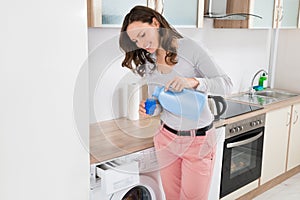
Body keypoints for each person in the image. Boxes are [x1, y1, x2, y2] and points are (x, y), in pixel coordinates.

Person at [119, 6, 232, 200]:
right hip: (165, 138)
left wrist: (194, 82)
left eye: (142, 34)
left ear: (155, 23)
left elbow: (226, 85)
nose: (141, 43)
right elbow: (161, 100)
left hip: (198, 140)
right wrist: (151, 107)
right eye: (136, 41)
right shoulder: (150, 61)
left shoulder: (190, 48)